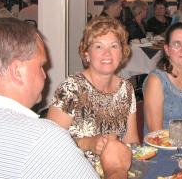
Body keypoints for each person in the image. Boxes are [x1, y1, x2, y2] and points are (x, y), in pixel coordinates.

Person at [0, 18, 131, 179]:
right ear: (17, 71)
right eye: (41, 66)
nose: (46, 75)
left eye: (114, 46)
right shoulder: (43, 139)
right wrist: (116, 169)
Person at [47, 16, 139, 169]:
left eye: (114, 46)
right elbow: (49, 146)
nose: (107, 53)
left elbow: (132, 144)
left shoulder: (126, 89)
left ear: (122, 52)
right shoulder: (72, 88)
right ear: (87, 54)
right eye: (98, 46)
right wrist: (87, 143)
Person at [143, 22, 182, 132]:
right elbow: (155, 134)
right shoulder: (157, 80)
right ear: (167, 50)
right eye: (176, 44)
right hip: (163, 145)